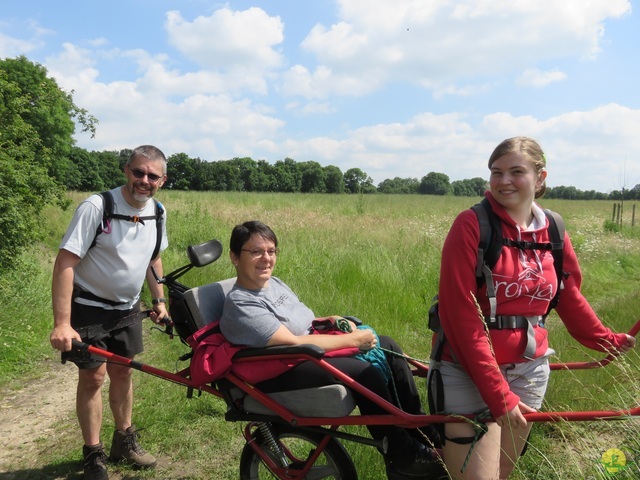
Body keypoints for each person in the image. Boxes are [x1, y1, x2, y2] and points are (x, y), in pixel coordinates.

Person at [430, 136, 636, 480]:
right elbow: (461, 315)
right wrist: (498, 395)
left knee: (501, 471)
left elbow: (567, 294)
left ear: (540, 178)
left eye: (516, 171)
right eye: (496, 172)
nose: (503, 181)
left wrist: (606, 340)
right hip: (467, 370)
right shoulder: (471, 225)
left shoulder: (552, 228)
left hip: (529, 371)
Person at [220, 220, 444, 479]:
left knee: (388, 344)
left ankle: (423, 432)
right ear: (235, 257)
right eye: (256, 252)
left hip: (300, 353)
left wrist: (334, 320)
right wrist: (353, 341)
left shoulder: (274, 283)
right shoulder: (241, 302)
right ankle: (403, 454)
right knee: (365, 372)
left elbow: (304, 322)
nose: (266, 258)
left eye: (271, 251)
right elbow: (291, 342)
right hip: (280, 368)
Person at [50, 145, 170, 480]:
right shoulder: (96, 206)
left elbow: (153, 258)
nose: (144, 180)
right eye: (138, 172)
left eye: (152, 175)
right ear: (126, 170)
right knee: (93, 377)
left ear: (162, 180)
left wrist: (158, 300)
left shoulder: (157, 212)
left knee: (123, 372)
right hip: (89, 307)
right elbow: (65, 262)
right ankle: (93, 454)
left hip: (128, 307)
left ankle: (124, 441)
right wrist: (62, 323)